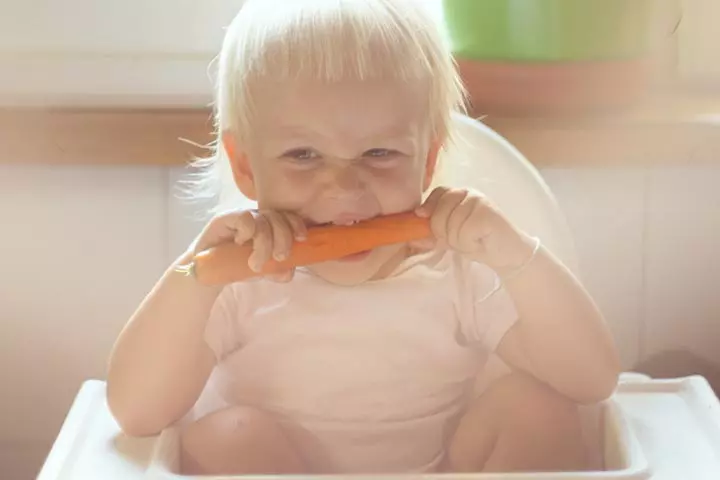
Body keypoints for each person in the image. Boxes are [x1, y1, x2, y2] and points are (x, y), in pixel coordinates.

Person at [106, 0, 620, 474]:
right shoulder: (245, 274)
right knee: (227, 436)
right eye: (303, 155)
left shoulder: (456, 270)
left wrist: (514, 257)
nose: (345, 188)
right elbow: (137, 412)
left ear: (428, 161)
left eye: (380, 154)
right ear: (245, 166)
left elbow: (591, 381)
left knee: (538, 410)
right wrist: (196, 276)